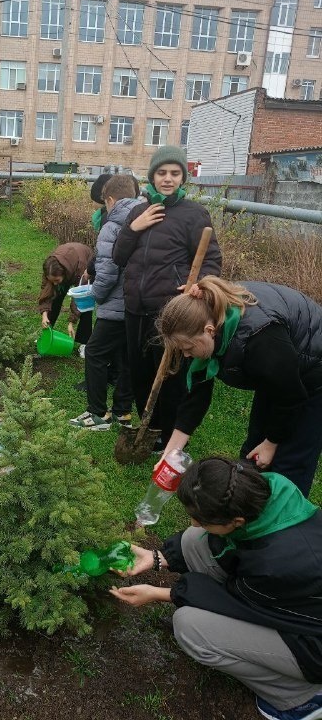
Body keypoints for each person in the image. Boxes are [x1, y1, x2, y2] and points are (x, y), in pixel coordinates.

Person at [110, 457, 322, 720]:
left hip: (312, 643)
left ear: (237, 521)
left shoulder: (276, 564)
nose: (195, 523)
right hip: (282, 596)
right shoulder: (264, 490)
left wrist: (160, 593)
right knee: (192, 540)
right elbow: (218, 548)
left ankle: (302, 697)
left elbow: (238, 605)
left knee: (191, 627)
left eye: (201, 519)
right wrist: (156, 557)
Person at [157, 275, 322, 497]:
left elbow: (290, 395)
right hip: (280, 373)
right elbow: (195, 397)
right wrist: (171, 451)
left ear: (209, 331)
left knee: (289, 462)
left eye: (187, 348)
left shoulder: (259, 338)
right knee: (253, 451)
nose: (186, 354)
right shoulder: (200, 326)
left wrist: (271, 443)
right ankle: (247, 512)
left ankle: (285, 521)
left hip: (314, 373)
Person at [112, 145, 221, 450]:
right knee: (140, 368)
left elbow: (211, 261)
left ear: (183, 177)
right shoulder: (138, 210)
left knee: (172, 373)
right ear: (152, 176)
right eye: (162, 173)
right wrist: (134, 228)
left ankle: (168, 431)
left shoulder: (194, 214)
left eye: (175, 173)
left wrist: (196, 285)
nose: (168, 179)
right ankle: (149, 421)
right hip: (135, 307)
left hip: (170, 311)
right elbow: (118, 257)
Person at [70, 175, 141, 430]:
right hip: (137, 305)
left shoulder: (113, 224)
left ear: (110, 199)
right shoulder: (146, 218)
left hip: (115, 305)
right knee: (126, 357)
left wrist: (95, 295)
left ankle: (97, 413)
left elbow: (109, 268)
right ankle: (123, 411)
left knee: (95, 352)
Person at [39, 242, 94, 349]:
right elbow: (46, 293)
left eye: (56, 280)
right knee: (55, 297)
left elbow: (79, 298)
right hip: (68, 262)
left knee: (85, 305)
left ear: (63, 274)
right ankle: (48, 332)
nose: (54, 283)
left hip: (84, 264)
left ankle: (84, 342)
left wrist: (71, 322)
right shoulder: (49, 268)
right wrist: (44, 315)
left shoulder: (81, 267)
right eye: (52, 280)